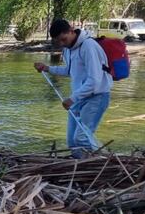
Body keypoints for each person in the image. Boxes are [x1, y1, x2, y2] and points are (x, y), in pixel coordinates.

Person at [34, 19, 112, 157]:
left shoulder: (88, 46)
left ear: (71, 30)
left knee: (81, 138)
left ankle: (108, 160)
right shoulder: (68, 50)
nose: (62, 44)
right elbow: (70, 71)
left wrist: (72, 98)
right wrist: (47, 68)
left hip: (96, 97)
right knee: (72, 142)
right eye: (59, 41)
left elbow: (94, 80)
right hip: (78, 98)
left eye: (63, 39)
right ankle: (81, 168)